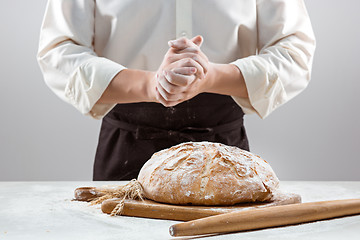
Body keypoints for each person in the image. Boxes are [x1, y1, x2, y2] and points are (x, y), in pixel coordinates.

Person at [37, 0, 315, 180]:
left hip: (223, 149)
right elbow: (59, 50)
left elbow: (294, 51)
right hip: (127, 142)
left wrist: (211, 76)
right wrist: (150, 84)